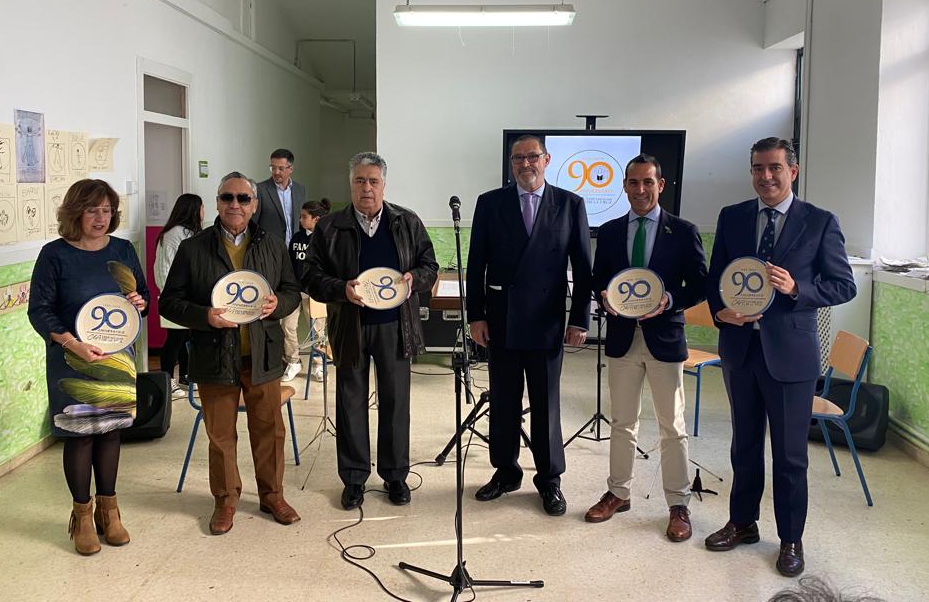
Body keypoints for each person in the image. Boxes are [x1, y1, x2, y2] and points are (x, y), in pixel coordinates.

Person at [705, 137, 856, 577]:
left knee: (790, 456)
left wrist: (797, 289)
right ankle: (743, 523)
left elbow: (844, 285)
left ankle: (791, 538)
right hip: (740, 351)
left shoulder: (820, 222)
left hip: (791, 357)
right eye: (757, 168)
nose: (765, 177)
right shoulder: (733, 217)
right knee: (744, 447)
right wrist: (719, 310)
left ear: (793, 170)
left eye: (773, 168)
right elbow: (716, 278)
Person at [159, 172, 302, 535]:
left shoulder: (272, 245)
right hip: (213, 356)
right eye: (227, 198)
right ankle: (225, 500)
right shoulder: (194, 248)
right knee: (221, 436)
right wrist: (204, 316)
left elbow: (290, 290)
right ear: (217, 202)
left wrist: (278, 304)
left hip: (262, 356)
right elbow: (170, 303)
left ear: (254, 205)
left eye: (242, 198)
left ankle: (272, 495)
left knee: (270, 432)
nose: (235, 205)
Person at [303, 152, 438, 510]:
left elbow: (430, 265)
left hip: (395, 327)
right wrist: (340, 289)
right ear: (351, 184)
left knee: (396, 403)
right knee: (350, 402)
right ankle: (354, 478)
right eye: (360, 181)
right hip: (350, 326)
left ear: (383, 185)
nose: (367, 188)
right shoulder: (330, 227)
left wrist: (415, 279)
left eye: (373, 181)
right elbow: (311, 277)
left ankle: (395, 476)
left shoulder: (407, 222)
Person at [466, 134, 592, 516]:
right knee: (503, 403)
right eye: (518, 158)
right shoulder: (490, 203)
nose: (525, 164)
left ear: (547, 159)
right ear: (511, 163)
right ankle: (505, 473)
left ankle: (549, 480)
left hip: (547, 322)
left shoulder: (570, 204)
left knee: (546, 405)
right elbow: (476, 266)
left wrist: (579, 320)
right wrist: (476, 315)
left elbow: (583, 271)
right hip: (501, 321)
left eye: (532, 156)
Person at [586, 154, 707, 541]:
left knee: (672, 426)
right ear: (623, 185)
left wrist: (669, 300)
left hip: (665, 338)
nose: (640, 190)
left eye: (648, 183)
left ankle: (678, 504)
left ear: (661, 185)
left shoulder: (683, 231)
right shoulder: (608, 231)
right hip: (622, 338)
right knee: (622, 422)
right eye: (633, 183)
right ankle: (618, 493)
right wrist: (604, 296)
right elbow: (598, 279)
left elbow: (700, 285)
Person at [28, 179, 149, 556]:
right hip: (71, 356)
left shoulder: (123, 249)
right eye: (92, 210)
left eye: (107, 210)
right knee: (80, 435)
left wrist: (138, 302)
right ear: (75, 212)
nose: (100, 218)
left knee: (111, 433)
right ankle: (82, 515)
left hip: (116, 358)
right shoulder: (54, 255)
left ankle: (109, 511)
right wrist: (72, 343)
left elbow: (141, 295)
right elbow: (39, 310)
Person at [255, 148, 307, 381]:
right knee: (274, 307)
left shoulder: (300, 190)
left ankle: (304, 358)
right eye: (272, 167)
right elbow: (254, 224)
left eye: (280, 168)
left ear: (290, 169)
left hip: (296, 256)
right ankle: (282, 358)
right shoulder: (260, 189)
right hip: (271, 255)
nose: (276, 172)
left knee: (300, 304)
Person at [153, 193, 203, 397]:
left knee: (184, 337)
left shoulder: (188, 232)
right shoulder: (175, 234)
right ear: (192, 210)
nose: (203, 212)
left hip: (186, 296)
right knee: (174, 340)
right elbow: (165, 267)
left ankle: (185, 376)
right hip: (174, 296)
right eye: (201, 208)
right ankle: (167, 381)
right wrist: (171, 295)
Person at [290, 199, 332, 381]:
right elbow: (290, 263)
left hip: (315, 293)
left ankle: (318, 364)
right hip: (295, 291)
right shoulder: (296, 238)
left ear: (315, 219)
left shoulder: (326, 239)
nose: (300, 220)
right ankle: (293, 361)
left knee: (317, 331)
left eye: (304, 217)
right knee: (287, 326)